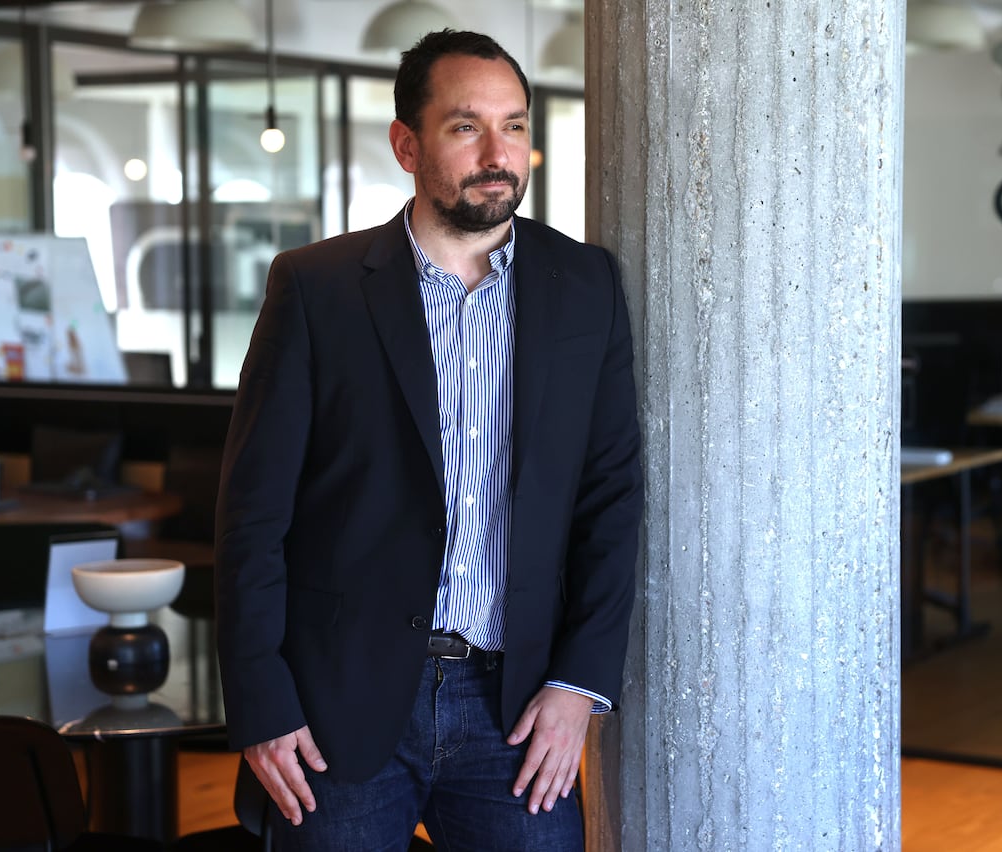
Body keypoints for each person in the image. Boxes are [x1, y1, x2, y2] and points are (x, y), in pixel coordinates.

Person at [215, 28, 643, 851]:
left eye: (513, 126)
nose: (498, 153)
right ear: (407, 145)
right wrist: (261, 702)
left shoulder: (586, 286)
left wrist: (578, 684)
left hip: (517, 710)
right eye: (465, 126)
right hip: (336, 707)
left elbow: (611, 497)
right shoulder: (316, 289)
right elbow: (252, 516)